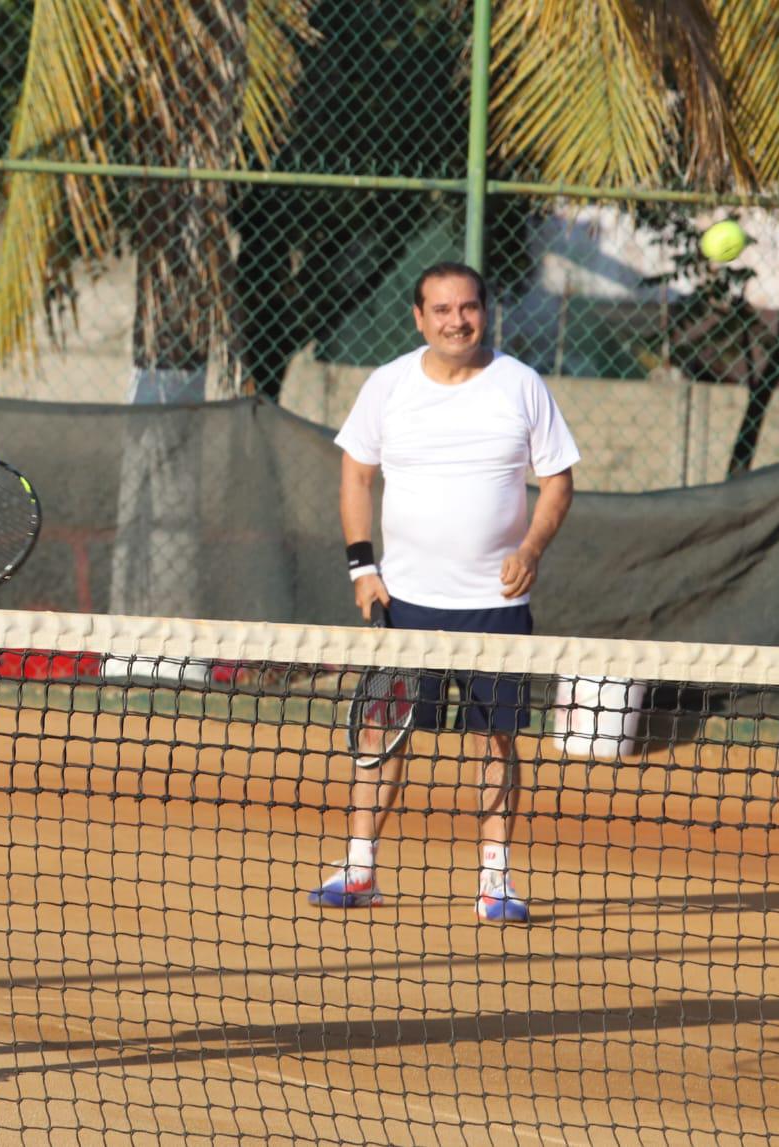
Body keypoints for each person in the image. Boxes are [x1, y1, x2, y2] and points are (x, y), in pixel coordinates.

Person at [308, 262, 579, 922]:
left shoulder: (522, 385)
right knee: (385, 734)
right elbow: (355, 475)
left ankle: (495, 879)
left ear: (486, 311)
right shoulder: (388, 385)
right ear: (418, 317)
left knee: (497, 742)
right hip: (408, 604)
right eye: (442, 310)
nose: (457, 320)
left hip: (496, 607)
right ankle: (360, 865)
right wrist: (360, 568)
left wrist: (531, 548)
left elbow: (559, 481)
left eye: (469, 308)